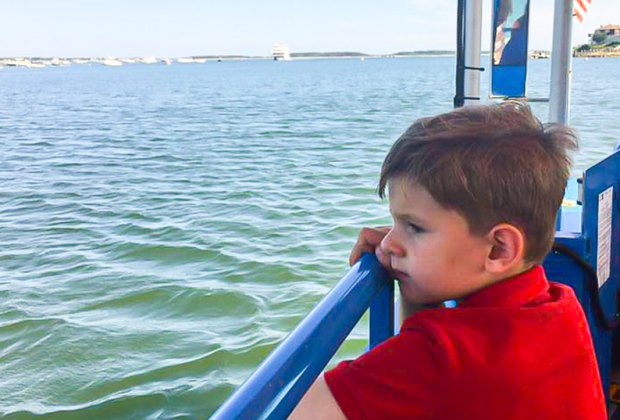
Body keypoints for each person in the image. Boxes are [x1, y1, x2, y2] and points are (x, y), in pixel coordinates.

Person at [290, 102, 607, 419]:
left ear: (499, 249)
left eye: (415, 227)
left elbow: (285, 411)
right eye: (396, 223)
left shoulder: (437, 359)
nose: (388, 243)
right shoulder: (562, 308)